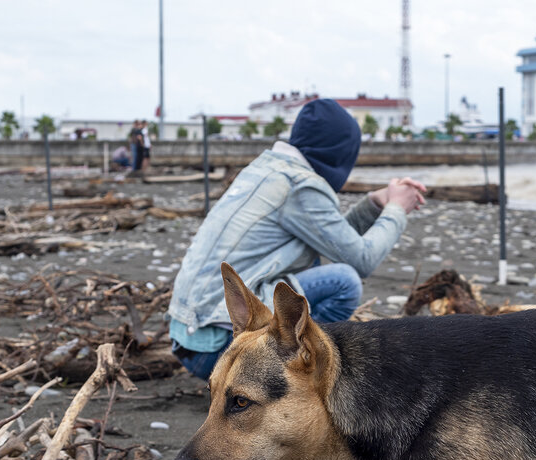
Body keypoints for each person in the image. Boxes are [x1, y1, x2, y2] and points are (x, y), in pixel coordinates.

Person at [167, 97, 426, 380]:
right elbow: (362, 259)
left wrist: (375, 204)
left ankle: (288, 362)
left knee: (322, 274)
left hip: (190, 339)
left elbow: (337, 243)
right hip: (220, 347)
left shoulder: (269, 169)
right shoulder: (299, 185)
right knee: (345, 281)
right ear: (340, 151)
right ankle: (299, 373)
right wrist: (397, 209)